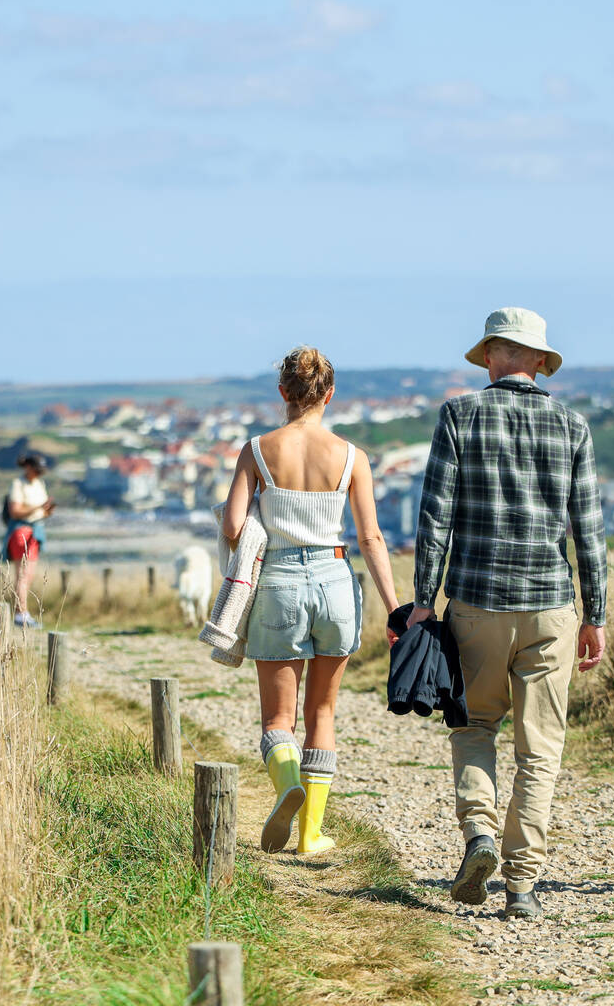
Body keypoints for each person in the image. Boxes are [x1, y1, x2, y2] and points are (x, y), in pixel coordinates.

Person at [408, 307, 608, 919]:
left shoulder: (458, 415)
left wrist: (424, 599)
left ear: (492, 355)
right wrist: (597, 614)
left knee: (474, 728)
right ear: (541, 362)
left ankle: (480, 835)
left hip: (476, 600)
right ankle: (522, 884)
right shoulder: (573, 425)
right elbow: (589, 531)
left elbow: (435, 517)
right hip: (551, 607)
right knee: (540, 748)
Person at [221, 346, 402, 857]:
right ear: (330, 395)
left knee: (278, 721)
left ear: (283, 392)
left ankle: (287, 786)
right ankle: (310, 834)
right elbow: (371, 538)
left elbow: (233, 527)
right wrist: (394, 608)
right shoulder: (352, 457)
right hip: (336, 582)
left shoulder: (257, 449)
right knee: (323, 711)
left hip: (278, 583)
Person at [3, 452, 56, 628]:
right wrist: (37, 507)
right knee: (23, 575)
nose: (40, 473)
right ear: (28, 467)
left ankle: (22, 612)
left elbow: (41, 512)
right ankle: (21, 613)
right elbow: (15, 511)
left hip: (36, 530)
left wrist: (47, 510)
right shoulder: (18, 484)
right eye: (37, 469)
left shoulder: (39, 484)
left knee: (28, 575)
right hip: (21, 530)